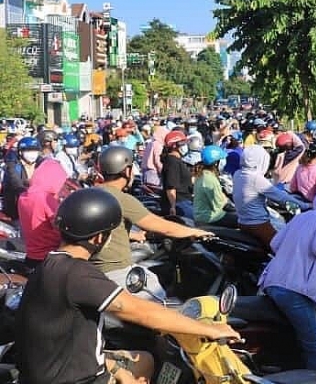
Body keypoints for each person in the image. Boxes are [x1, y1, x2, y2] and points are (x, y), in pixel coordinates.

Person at [15, 188, 239, 384]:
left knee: (145, 361)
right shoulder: (79, 274)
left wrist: (116, 370)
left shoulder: (49, 265)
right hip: (76, 378)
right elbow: (141, 312)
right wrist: (209, 329)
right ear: (98, 238)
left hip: (47, 368)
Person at [93, 146, 212, 299]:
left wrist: (133, 235)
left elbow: (105, 227)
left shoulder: (92, 193)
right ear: (127, 171)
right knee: (158, 299)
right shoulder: (122, 199)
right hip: (116, 272)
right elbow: (162, 227)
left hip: (92, 270)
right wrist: (195, 231)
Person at [260, 186, 316, 370]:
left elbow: (275, 243)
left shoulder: (302, 216)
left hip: (273, 282)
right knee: (315, 345)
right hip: (296, 291)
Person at [233, 145, 302, 248]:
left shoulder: (238, 173)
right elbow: (282, 198)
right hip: (258, 224)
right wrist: (306, 205)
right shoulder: (255, 178)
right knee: (282, 249)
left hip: (242, 222)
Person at [18, 159, 74, 268]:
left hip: (32, 254)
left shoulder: (24, 196)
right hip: (49, 256)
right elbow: (60, 225)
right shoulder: (46, 198)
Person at [193, 145, 237, 228]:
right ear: (216, 162)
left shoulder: (203, 174)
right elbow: (219, 204)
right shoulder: (209, 179)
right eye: (222, 160)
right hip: (210, 217)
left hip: (203, 215)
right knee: (241, 222)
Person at [2, 136, 41, 221]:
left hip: (37, 206)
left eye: (35, 150)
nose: (33, 153)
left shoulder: (40, 164)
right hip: (16, 210)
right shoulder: (13, 166)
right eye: (28, 150)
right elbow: (17, 184)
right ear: (20, 152)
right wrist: (27, 194)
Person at [161, 130, 194, 218]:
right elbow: (171, 187)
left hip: (186, 199)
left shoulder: (178, 160)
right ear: (174, 145)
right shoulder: (172, 161)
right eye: (182, 143)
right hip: (180, 202)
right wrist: (173, 206)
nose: (185, 146)